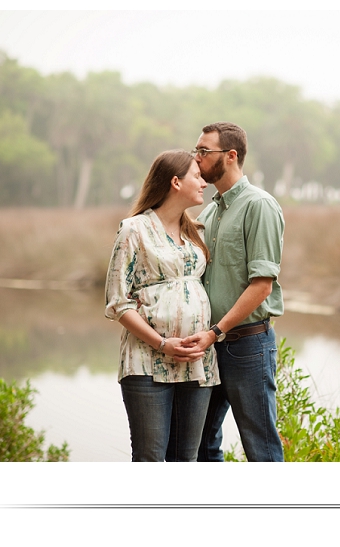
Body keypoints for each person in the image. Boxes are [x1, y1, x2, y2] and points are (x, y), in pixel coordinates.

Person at [104, 149, 218, 462]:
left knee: (186, 460)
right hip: (146, 362)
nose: (203, 181)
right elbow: (118, 302)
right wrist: (163, 343)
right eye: (197, 175)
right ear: (175, 182)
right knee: (150, 459)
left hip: (197, 361)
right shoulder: (133, 230)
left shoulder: (196, 231)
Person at [182, 122, 285, 462]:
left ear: (230, 156)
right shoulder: (211, 209)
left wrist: (215, 332)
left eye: (203, 152)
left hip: (247, 347)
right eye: (196, 151)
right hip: (210, 346)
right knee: (201, 445)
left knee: (261, 448)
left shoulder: (260, 206)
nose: (196, 160)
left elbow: (262, 285)